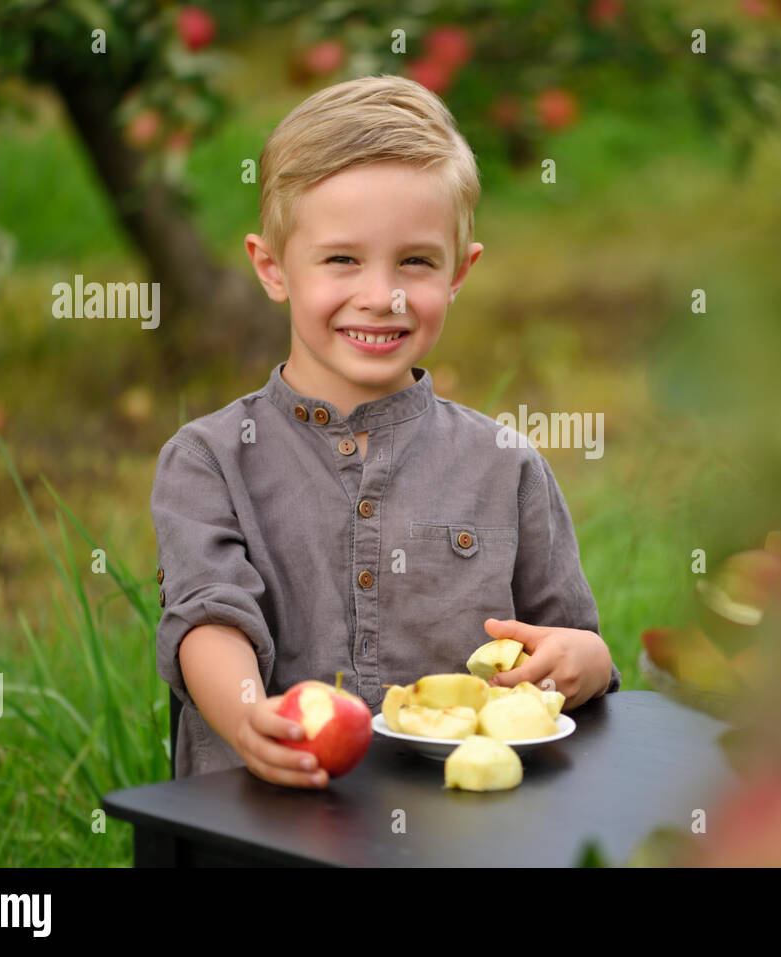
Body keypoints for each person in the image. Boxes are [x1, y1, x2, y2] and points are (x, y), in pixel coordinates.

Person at [150, 74, 620, 785]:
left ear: (460, 272)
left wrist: (585, 662)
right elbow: (210, 615)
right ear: (272, 267)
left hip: (456, 826)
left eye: (416, 262)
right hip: (256, 824)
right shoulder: (209, 461)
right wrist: (248, 714)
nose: (382, 295)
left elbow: (570, 636)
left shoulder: (505, 465)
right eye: (342, 259)